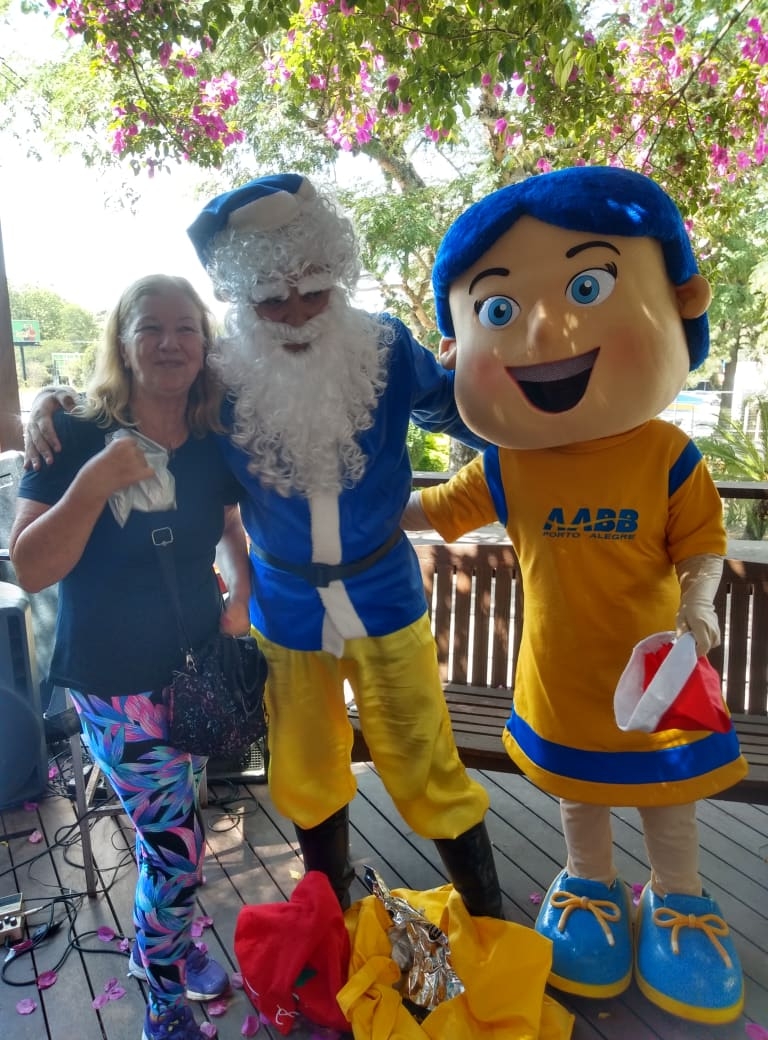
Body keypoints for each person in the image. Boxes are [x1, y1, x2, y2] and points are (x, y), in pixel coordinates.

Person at [24, 175, 505, 923]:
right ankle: (328, 925)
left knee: (427, 763)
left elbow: (472, 411)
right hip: (287, 610)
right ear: (244, 302)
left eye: (313, 289)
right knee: (306, 772)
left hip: (386, 595)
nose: (297, 312)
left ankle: (490, 921)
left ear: (336, 276)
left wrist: (528, 406)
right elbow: (137, 395)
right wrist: (49, 404)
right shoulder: (223, 376)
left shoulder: (385, 347)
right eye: (272, 299)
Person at [402, 166, 749, 1025]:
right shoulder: (508, 462)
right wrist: (333, 503)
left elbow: (702, 544)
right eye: (498, 309)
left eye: (587, 288)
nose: (546, 330)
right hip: (560, 674)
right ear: (455, 345)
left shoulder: (666, 453)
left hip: (658, 675)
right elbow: (431, 512)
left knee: (669, 796)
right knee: (580, 796)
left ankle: (677, 895)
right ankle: (591, 885)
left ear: (680, 301)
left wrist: (699, 605)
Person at [11, 274, 252, 1040]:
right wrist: (92, 485)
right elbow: (31, 567)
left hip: (197, 675)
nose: (170, 343)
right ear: (122, 340)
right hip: (113, 684)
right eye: (151, 327)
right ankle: (162, 999)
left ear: (205, 343)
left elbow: (229, 529)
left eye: (186, 328)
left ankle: (169, 949)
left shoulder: (213, 436)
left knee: (173, 833)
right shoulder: (71, 433)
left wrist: (242, 591)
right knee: (176, 849)